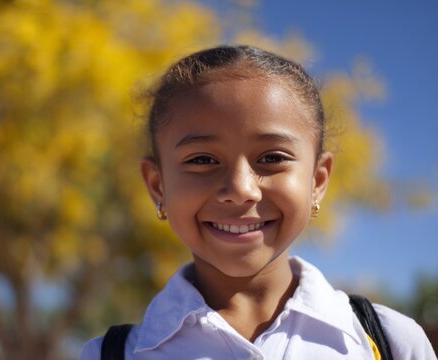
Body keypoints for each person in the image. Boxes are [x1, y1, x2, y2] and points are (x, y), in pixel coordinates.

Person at [80, 45, 436, 359]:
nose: (240, 188)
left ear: (317, 180)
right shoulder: (111, 355)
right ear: (158, 186)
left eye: (271, 158)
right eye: (202, 160)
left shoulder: (388, 342)